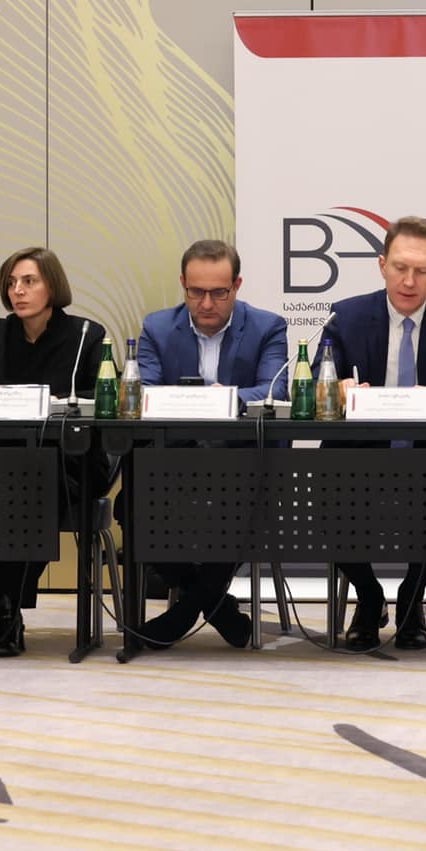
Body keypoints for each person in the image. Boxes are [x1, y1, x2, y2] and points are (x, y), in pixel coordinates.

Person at [323, 216, 426, 652]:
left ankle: (412, 594)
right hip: (359, 461)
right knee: (321, 494)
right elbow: (321, 379)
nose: (409, 281)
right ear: (382, 265)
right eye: (399, 268)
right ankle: (369, 594)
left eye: (422, 271)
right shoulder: (347, 317)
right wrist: (337, 387)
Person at [125, 239, 288, 651]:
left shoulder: (268, 327)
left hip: (243, 464)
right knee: (132, 504)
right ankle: (218, 607)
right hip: (175, 464)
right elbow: (144, 392)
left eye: (219, 292)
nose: (207, 303)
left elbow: (274, 390)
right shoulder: (158, 327)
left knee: (243, 504)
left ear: (237, 285)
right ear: (183, 284)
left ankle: (183, 614)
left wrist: (226, 398)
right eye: (196, 292)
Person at [0, 246, 104, 657]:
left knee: (29, 484)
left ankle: (4, 611)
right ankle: (6, 611)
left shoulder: (86, 335)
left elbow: (102, 400)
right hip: (1, 469)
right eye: (11, 283)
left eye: (29, 281)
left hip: (68, 467)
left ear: (53, 286)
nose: (17, 291)